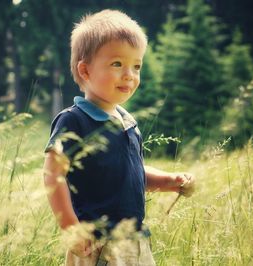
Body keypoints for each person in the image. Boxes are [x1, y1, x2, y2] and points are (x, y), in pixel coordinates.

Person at [43, 9, 195, 266]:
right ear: (85, 70)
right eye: (117, 64)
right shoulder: (74, 120)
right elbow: (53, 175)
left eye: (137, 66)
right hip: (95, 246)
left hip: (135, 242)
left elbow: (131, 172)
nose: (129, 75)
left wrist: (170, 181)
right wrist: (71, 228)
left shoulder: (128, 123)